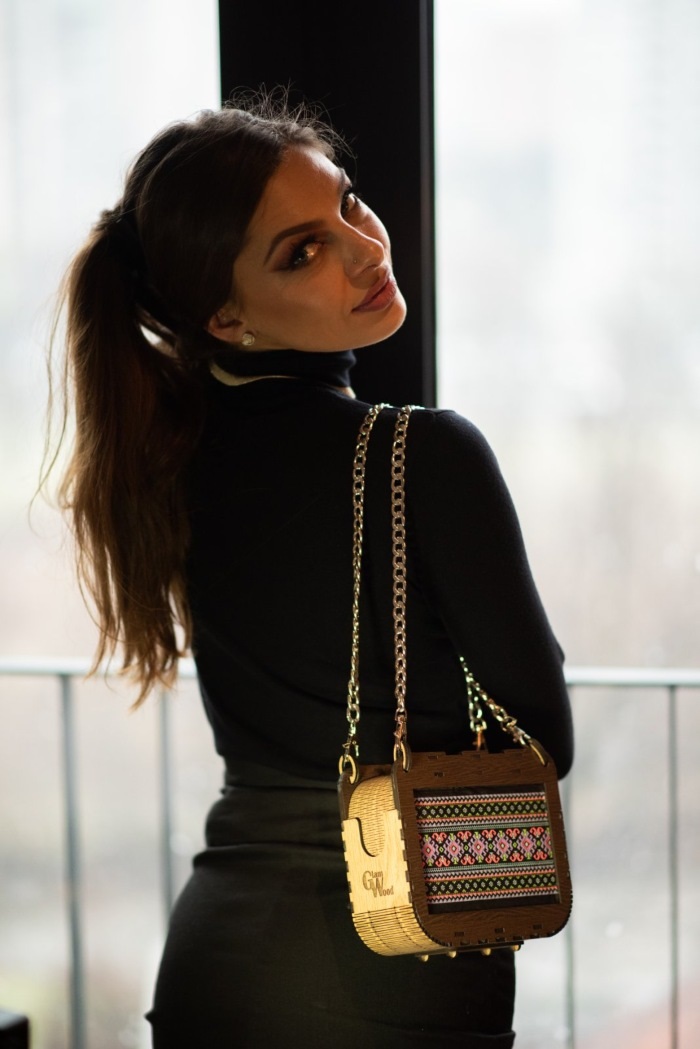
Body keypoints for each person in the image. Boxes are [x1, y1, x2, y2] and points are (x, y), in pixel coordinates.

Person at [54, 98, 573, 1048]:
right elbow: (544, 737)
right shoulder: (425, 455)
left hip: (215, 954)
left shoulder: (165, 464)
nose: (363, 248)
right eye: (302, 251)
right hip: (396, 957)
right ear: (226, 316)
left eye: (348, 204)